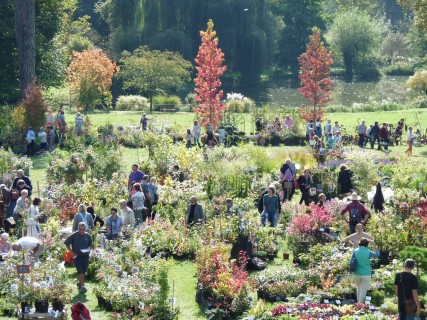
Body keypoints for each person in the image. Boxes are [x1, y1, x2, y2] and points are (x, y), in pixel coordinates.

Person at [64, 222, 92, 294]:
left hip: (86, 256)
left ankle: (79, 282)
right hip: (77, 256)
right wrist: (72, 252)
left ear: (85, 229)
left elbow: (90, 245)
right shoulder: (74, 235)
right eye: (80, 229)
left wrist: (89, 249)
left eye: (83, 229)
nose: (81, 231)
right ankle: (83, 287)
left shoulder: (87, 236)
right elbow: (66, 243)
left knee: (84, 271)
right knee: (80, 271)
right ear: (78, 228)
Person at [353, 238, 380, 303]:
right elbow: (377, 255)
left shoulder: (355, 251)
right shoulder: (368, 251)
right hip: (366, 273)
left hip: (356, 272)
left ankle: (358, 304)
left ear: (360, 243)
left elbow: (352, 261)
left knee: (358, 288)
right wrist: (374, 245)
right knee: (363, 290)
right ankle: (360, 305)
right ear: (367, 245)